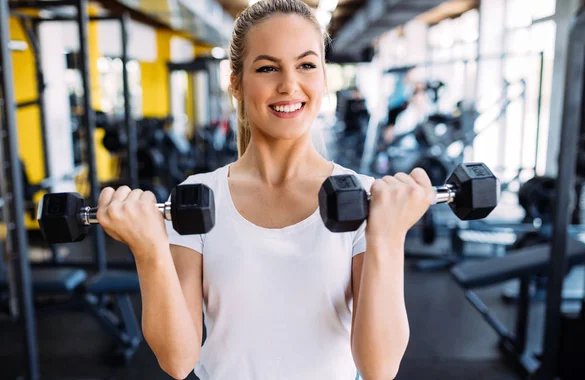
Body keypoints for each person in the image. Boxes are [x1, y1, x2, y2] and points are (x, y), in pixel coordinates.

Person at [95, 0, 434, 379]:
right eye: (268, 68)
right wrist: (148, 249)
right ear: (236, 83)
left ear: (323, 77)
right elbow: (177, 361)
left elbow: (380, 369)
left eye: (306, 65)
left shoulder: (365, 198)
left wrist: (388, 238)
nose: (289, 84)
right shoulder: (198, 198)